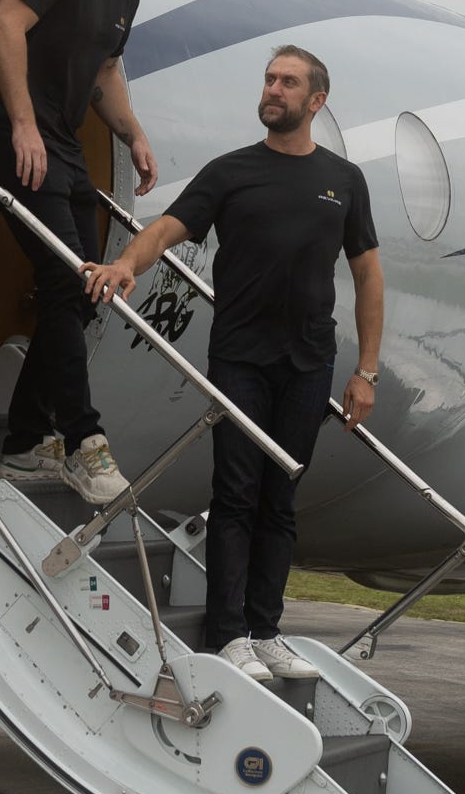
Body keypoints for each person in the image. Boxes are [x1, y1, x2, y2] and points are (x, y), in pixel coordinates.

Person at [87, 45, 384, 679]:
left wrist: (367, 372)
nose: (273, 89)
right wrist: (126, 264)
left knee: (281, 499)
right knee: (237, 493)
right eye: (270, 79)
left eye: (288, 82)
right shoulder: (231, 172)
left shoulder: (343, 180)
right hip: (241, 359)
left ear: (316, 101)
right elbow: (166, 229)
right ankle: (229, 637)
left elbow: (368, 274)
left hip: (309, 361)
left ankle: (266, 631)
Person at [0, 0, 190, 509]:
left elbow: (104, 72)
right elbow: (5, 28)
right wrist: (22, 124)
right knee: (67, 280)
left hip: (66, 148)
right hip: (19, 138)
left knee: (84, 294)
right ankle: (82, 439)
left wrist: (133, 135)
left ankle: (25, 441)